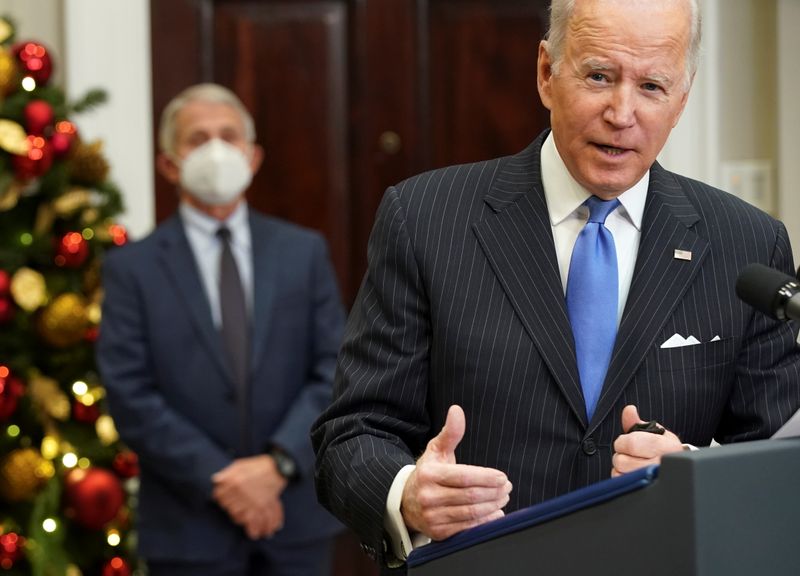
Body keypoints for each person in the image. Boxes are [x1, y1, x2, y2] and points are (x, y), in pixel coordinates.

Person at [311, 0, 800, 570]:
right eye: (599, 76)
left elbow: (778, 466)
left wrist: (690, 472)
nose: (622, 113)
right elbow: (351, 435)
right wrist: (408, 497)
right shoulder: (425, 219)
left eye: (652, 87)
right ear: (546, 72)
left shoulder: (746, 242)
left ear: (683, 99)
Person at [97, 83, 345, 576]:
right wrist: (223, 479)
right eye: (197, 138)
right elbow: (130, 392)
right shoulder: (132, 268)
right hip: (188, 529)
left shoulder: (304, 253)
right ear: (169, 163)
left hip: (295, 520)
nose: (215, 149)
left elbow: (335, 368)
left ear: (252, 157)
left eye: (228, 136)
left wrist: (277, 466)